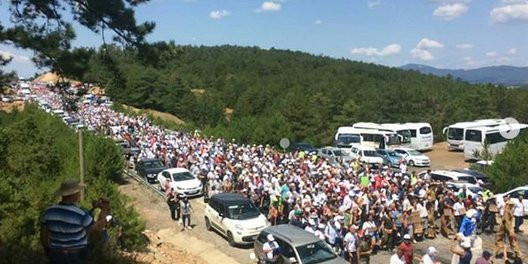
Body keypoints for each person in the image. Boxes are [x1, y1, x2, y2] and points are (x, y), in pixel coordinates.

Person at [40, 179, 109, 264]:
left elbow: (43, 234)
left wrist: (47, 250)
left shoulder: (49, 211)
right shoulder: (80, 213)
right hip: (76, 255)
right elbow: (97, 229)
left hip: (56, 254)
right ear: (74, 194)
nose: (80, 193)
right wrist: (104, 209)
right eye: (78, 192)